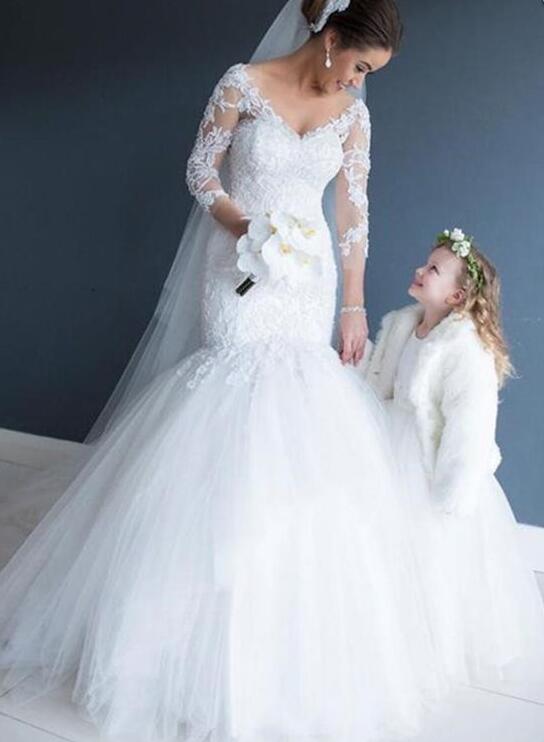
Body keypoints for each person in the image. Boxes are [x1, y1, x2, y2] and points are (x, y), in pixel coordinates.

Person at [0, 2, 451, 740]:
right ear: (332, 38)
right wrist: (245, 225)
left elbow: (353, 214)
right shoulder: (243, 81)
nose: (360, 81)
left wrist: (353, 306)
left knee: (297, 413)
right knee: (232, 396)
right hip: (236, 267)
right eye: (360, 65)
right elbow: (200, 170)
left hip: (306, 281)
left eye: (370, 74)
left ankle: (277, 611)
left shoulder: (354, 115)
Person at [364, 228, 544, 693]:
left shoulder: (465, 349)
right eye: (425, 263)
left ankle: (425, 644)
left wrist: (452, 489)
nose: (419, 271)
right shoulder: (403, 326)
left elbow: (471, 425)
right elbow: (380, 380)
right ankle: (377, 632)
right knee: (379, 543)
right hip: (389, 441)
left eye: (433, 270)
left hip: (427, 464)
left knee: (428, 554)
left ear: (457, 295)